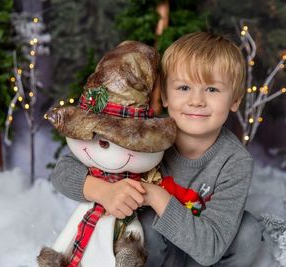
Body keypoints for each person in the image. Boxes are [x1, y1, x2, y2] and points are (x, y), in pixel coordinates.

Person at [51, 32, 263, 267]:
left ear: (235, 100)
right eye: (183, 87)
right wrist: (102, 191)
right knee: (147, 223)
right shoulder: (143, 136)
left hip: (203, 258)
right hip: (154, 256)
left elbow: (209, 249)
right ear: (164, 95)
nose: (197, 101)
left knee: (249, 232)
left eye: (212, 89)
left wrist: (155, 195)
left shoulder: (235, 162)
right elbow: (63, 171)